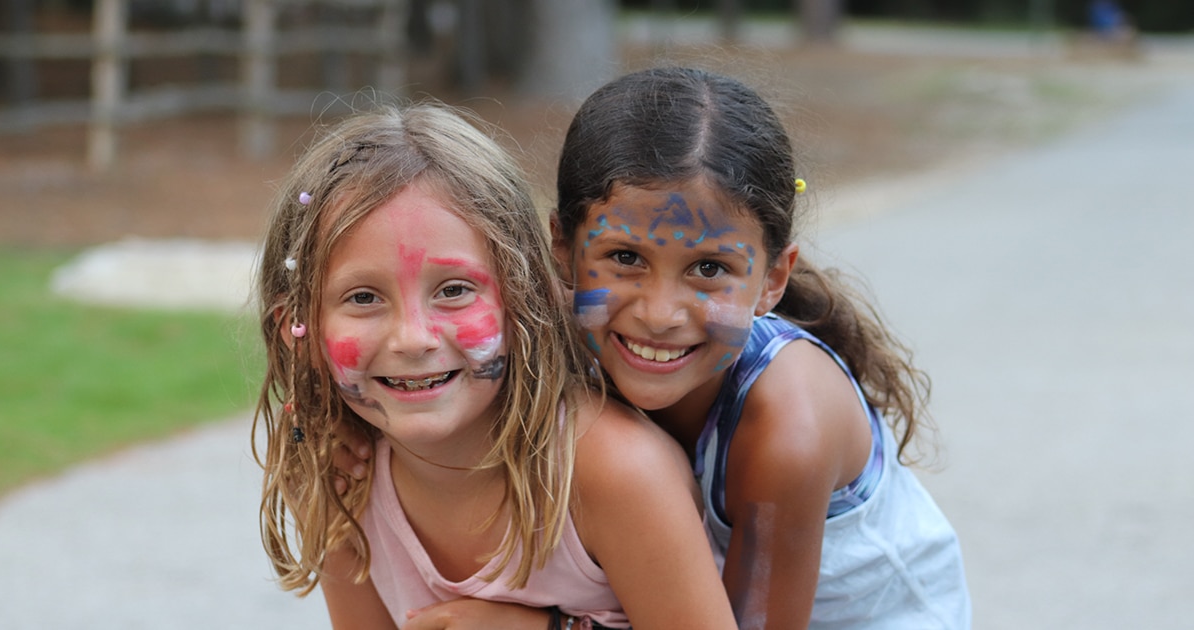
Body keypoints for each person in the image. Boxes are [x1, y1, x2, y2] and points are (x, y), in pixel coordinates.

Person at [335, 68, 972, 628]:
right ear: (562, 249)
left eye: (710, 269)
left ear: (773, 278)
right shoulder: (554, 325)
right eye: (623, 258)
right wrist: (346, 424)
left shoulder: (788, 428)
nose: (658, 313)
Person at [251, 102, 738, 630]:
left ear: (525, 298)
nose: (413, 338)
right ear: (297, 329)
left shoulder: (613, 473)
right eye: (364, 297)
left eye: (455, 290)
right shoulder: (342, 476)